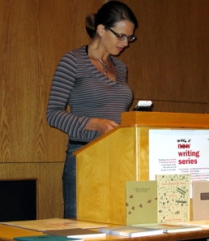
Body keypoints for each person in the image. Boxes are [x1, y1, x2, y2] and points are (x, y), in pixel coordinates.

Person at [46, 0, 138, 218]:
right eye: (120, 36)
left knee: (117, 224)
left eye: (130, 37)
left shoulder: (121, 68)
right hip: (85, 158)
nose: (126, 43)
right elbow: (53, 114)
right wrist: (94, 124)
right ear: (101, 29)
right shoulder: (73, 61)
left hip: (119, 159)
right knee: (81, 227)